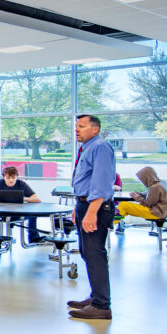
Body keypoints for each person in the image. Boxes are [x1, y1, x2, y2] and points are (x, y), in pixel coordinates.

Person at [68, 114, 117, 320]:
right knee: (88, 253)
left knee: (95, 254)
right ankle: (96, 296)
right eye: (76, 126)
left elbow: (102, 182)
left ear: (95, 129)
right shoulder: (87, 148)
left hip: (95, 206)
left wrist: (91, 211)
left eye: (81, 126)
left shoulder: (100, 147)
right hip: (84, 204)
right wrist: (78, 206)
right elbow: (86, 180)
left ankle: (101, 306)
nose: (77, 130)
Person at [0, 165, 42, 243]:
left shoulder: (21, 184)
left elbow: (37, 199)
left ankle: (33, 238)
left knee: (33, 214)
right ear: (4, 177)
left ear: (16, 177)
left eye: (13, 178)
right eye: (8, 178)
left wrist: (23, 199)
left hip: (18, 214)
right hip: (1, 213)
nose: (11, 180)